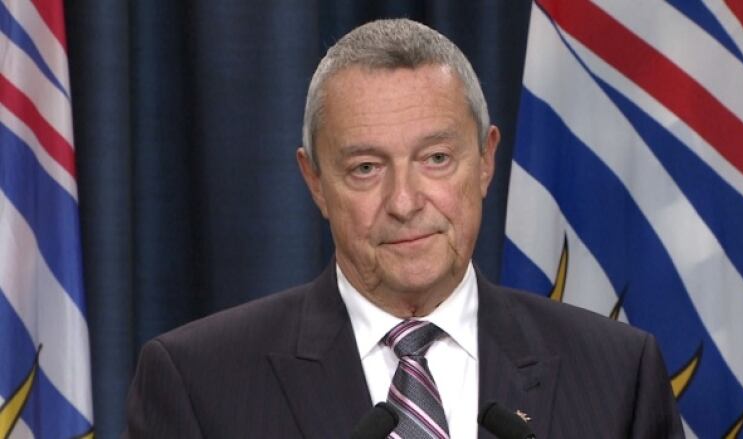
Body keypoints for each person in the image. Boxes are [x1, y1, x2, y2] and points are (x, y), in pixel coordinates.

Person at [124, 18, 683, 438]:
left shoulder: (618, 374)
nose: (405, 201)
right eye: (366, 168)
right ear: (315, 181)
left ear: (486, 160)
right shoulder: (199, 382)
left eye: (436, 158)